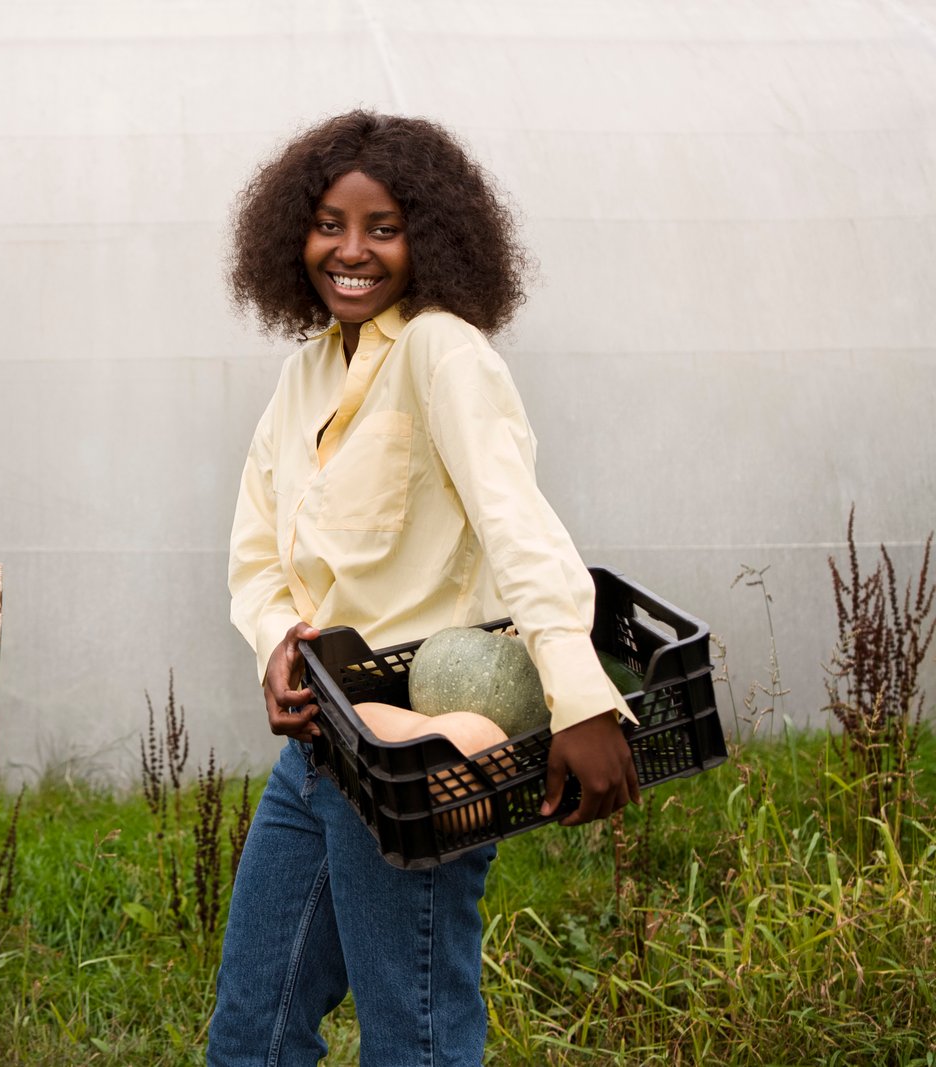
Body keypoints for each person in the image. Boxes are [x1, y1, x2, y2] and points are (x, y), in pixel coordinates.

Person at [208, 111, 641, 1066]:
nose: (351, 251)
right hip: (320, 752)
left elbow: (517, 524)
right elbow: (257, 543)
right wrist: (279, 639)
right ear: (295, 234)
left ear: (432, 239)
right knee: (254, 1032)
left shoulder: (444, 352)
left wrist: (579, 698)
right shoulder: (309, 371)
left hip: (425, 762)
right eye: (329, 223)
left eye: (384, 227)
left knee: (417, 1039)